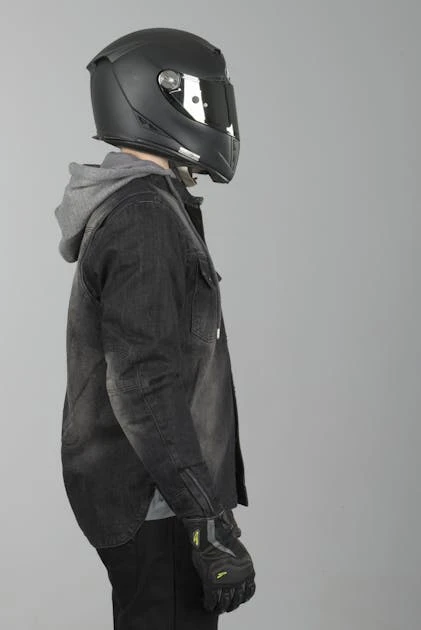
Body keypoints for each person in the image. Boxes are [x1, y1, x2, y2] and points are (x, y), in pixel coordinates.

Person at [54, 27, 256, 629]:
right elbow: (144, 386)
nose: (214, 116)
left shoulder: (147, 202)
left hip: (160, 500)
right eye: (202, 99)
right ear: (154, 98)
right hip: (159, 506)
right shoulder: (144, 214)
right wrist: (207, 523)